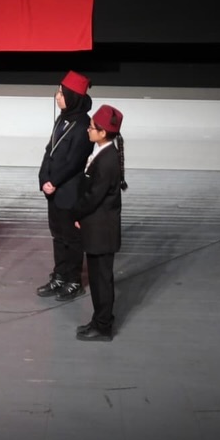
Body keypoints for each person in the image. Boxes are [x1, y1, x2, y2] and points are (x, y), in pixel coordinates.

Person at [71, 104, 128, 341]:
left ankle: (103, 326)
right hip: (98, 228)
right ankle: (98, 320)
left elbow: (94, 196)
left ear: (103, 133)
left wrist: (76, 214)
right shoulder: (104, 154)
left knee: (101, 280)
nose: (88, 129)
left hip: (101, 231)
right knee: (97, 279)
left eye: (92, 127)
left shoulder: (106, 161)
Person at [36, 70, 94, 301]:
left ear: (72, 96)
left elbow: (74, 161)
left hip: (70, 190)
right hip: (54, 190)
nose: (57, 96)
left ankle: (73, 280)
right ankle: (59, 276)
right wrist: (43, 178)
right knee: (58, 236)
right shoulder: (62, 118)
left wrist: (54, 181)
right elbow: (49, 151)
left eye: (61, 93)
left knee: (71, 238)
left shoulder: (84, 125)